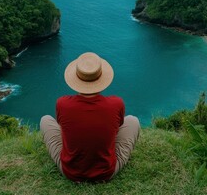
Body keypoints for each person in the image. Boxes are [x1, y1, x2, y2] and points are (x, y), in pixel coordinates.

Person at [40, 52, 140, 182]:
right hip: (106, 173)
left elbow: (61, 126)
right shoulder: (116, 103)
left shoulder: (62, 103)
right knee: (133, 121)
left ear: (75, 78)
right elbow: (119, 127)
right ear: (101, 78)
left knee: (45, 120)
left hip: (70, 172)